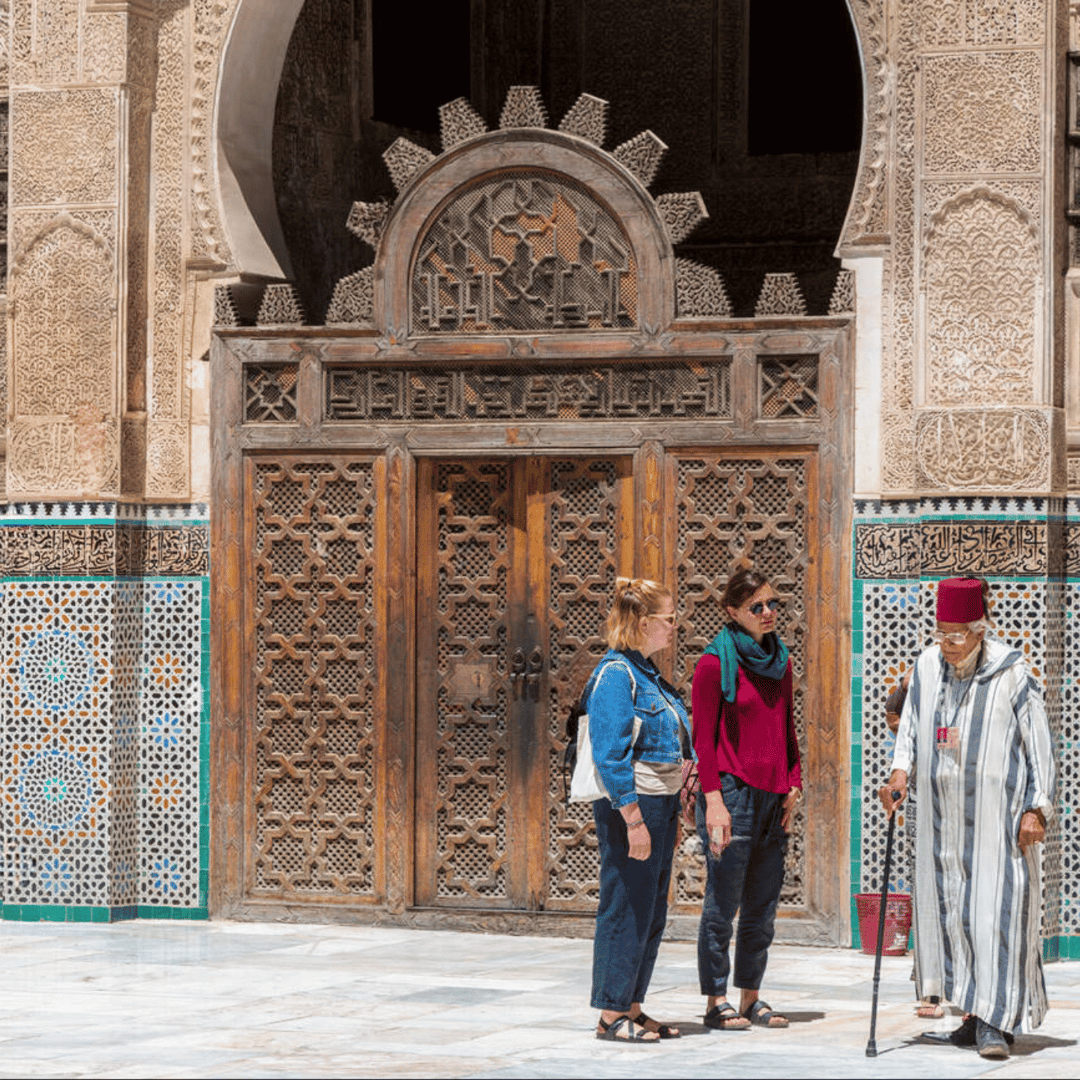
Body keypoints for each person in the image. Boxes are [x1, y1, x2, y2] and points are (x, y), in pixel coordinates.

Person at [879, 577, 1055, 1060]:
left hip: (999, 826)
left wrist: (1039, 807)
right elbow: (909, 731)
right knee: (952, 917)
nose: (949, 644)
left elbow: (1040, 745)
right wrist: (898, 775)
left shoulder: (1013, 673)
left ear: (982, 629)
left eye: (959, 634)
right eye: (942, 633)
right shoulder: (926, 668)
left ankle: (996, 1021)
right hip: (940, 823)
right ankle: (970, 1015)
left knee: (995, 918)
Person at [692, 567, 802, 1032]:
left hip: (773, 797)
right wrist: (714, 802)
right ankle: (716, 1000)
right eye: (757, 607)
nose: (768, 613)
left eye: (773, 603)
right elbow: (703, 740)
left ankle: (751, 996)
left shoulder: (781, 661)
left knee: (763, 905)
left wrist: (794, 780)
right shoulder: (713, 664)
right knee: (723, 902)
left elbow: (786, 728)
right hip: (731, 794)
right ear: (733, 613)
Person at [586, 576, 693, 1043]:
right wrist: (632, 819)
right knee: (625, 904)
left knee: (650, 909)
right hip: (634, 804)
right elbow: (609, 755)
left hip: (661, 801)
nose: (674, 627)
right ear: (645, 623)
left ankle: (632, 1004)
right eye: (669, 620)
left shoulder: (648, 673)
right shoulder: (615, 674)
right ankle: (611, 1015)